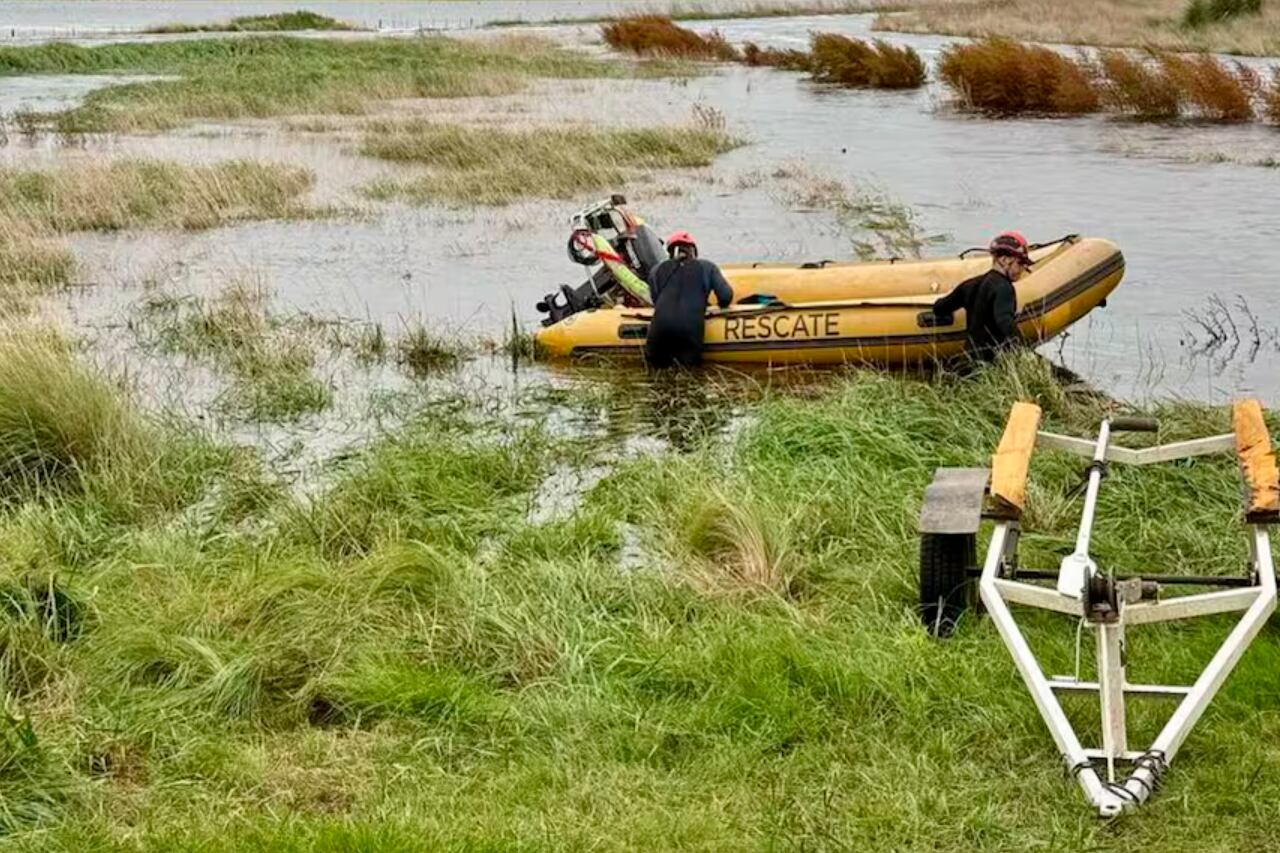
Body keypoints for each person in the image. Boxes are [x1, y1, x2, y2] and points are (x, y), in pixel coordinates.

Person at [932, 231, 1034, 363]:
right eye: (1020, 263)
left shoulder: (970, 285)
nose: (1023, 269)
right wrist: (1025, 351)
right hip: (990, 365)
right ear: (1003, 260)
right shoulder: (1004, 288)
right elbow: (1004, 322)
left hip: (967, 362)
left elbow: (939, 308)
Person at [644, 231, 734, 368]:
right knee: (689, 378)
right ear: (693, 251)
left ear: (670, 252)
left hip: (659, 330)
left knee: (654, 376)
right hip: (690, 331)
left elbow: (657, 300)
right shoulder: (707, 267)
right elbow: (726, 297)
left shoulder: (656, 270)